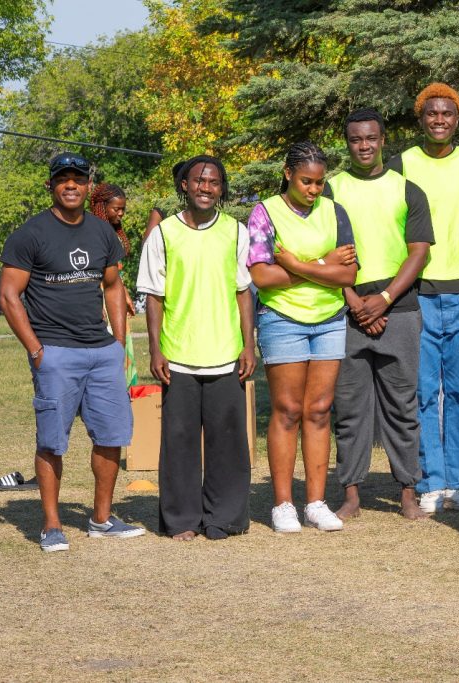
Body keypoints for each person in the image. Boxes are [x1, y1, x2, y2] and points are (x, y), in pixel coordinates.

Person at [0, 152, 143, 551]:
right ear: (51, 185)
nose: (70, 185)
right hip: (55, 353)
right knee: (51, 442)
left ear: (86, 185)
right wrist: (35, 349)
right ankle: (51, 525)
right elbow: (10, 295)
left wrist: (117, 342)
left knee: (111, 436)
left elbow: (113, 286)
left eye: (77, 178)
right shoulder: (30, 234)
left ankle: (101, 518)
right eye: (62, 178)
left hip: (102, 353)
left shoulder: (101, 232)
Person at [137, 155, 256, 541]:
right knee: (180, 443)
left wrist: (247, 344)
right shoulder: (164, 234)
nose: (206, 187)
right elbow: (153, 296)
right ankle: (182, 520)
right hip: (179, 354)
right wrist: (156, 350)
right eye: (199, 180)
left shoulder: (236, 232)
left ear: (222, 189)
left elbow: (243, 292)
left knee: (228, 441)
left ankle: (224, 517)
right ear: (184, 186)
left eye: (214, 182)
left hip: (225, 352)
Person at [386, 82, 459, 513]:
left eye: (447, 114)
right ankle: (430, 481)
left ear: (457, 118)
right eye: (431, 114)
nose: (439, 120)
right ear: (421, 118)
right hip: (419, 292)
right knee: (425, 391)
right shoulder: (401, 164)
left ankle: (458, 482)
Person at [327, 108, 434, 521]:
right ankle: (351, 492)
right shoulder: (331, 190)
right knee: (349, 406)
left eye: (371, 138)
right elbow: (323, 249)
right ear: (348, 142)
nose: (364, 146)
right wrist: (352, 299)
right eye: (356, 139)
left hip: (399, 309)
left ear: (383, 139)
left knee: (402, 404)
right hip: (346, 309)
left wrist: (385, 298)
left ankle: (408, 490)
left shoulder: (407, 190)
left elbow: (419, 252)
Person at [248, 141, 358, 533]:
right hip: (283, 319)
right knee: (287, 410)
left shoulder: (334, 211)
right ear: (287, 173)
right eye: (306, 182)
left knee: (319, 410)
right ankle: (282, 504)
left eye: (318, 183)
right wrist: (322, 264)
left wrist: (294, 263)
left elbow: (348, 275)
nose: (313, 190)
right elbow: (262, 276)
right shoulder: (265, 213)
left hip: (329, 319)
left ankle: (315, 501)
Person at [89, 182, 138, 386]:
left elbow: (114, 272)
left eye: (123, 210)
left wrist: (124, 293)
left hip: (114, 295)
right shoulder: (90, 231)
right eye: (116, 209)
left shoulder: (111, 231)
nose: (120, 214)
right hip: (98, 297)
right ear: (102, 207)